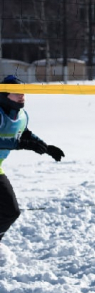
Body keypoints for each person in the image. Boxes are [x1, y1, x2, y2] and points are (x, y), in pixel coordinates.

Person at [0, 76, 65, 249]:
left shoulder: (21, 116)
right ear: (4, 94)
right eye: (16, 92)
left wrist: (46, 147)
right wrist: (21, 145)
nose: (22, 95)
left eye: (24, 92)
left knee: (11, 212)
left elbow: (24, 133)